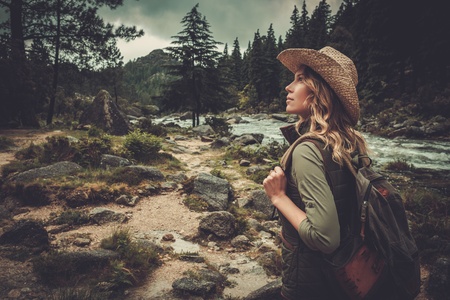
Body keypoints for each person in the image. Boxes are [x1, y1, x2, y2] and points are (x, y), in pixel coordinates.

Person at [263, 46, 386, 299]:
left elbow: (324, 238)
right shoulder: (350, 143)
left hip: (312, 284)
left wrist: (279, 198)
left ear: (319, 93)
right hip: (346, 277)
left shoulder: (308, 150)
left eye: (299, 79)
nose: (288, 87)